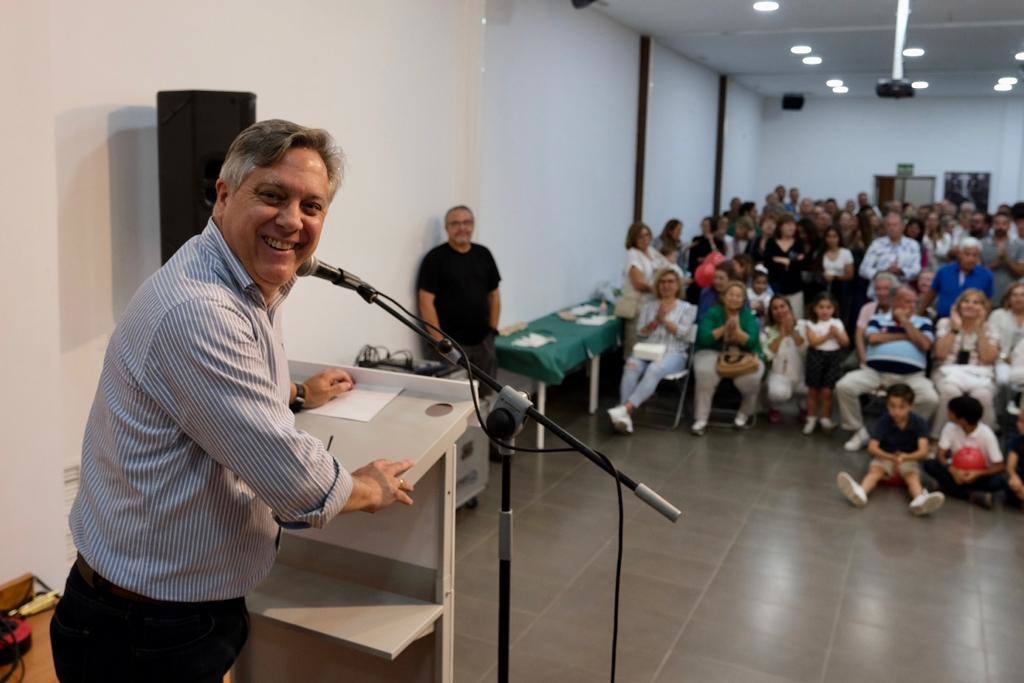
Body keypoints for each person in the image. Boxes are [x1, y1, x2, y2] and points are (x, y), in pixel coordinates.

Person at [52, 120, 417, 682]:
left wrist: (297, 393)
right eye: (273, 196)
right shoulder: (199, 310)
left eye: (312, 206)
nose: (293, 221)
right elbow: (297, 484)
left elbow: (214, 404)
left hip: (166, 611)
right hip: (143, 632)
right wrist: (371, 487)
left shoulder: (239, 281)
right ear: (224, 196)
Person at [837, 286, 938, 451]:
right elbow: (874, 338)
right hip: (875, 372)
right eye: (908, 301)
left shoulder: (924, 322)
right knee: (844, 386)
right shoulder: (878, 319)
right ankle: (859, 431)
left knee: (930, 398)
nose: (913, 305)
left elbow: (925, 344)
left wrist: (905, 322)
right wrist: (908, 336)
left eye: (915, 302)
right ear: (895, 301)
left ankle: (905, 430)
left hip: (911, 376)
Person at [418, 205, 502, 382]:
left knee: (485, 393)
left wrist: (492, 331)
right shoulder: (435, 259)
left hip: (483, 342)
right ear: (446, 228)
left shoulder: (484, 254)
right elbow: (425, 302)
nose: (462, 228)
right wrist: (440, 342)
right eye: (455, 223)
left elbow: (494, 295)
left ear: (473, 225)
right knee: (453, 399)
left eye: (467, 222)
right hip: (450, 345)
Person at [607, 268, 696, 434]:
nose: (666, 285)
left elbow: (683, 332)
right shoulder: (649, 306)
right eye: (662, 282)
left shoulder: (688, 308)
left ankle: (625, 409)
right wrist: (655, 321)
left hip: (674, 353)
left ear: (678, 286)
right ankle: (624, 417)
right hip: (648, 350)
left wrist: (664, 320)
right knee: (631, 365)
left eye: (670, 282)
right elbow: (641, 333)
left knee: (655, 368)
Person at [836, 384, 945, 516]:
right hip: (885, 457)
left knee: (912, 477)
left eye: (901, 407)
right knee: (875, 472)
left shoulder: (919, 422)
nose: (896, 411)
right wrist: (891, 457)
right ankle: (861, 492)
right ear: (887, 405)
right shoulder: (883, 421)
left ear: (911, 406)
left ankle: (919, 499)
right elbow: (872, 447)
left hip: (908, 458)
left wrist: (905, 457)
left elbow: (923, 451)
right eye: (892, 406)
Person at [691, 281, 765, 435]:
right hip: (711, 351)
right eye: (731, 294)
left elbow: (752, 343)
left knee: (752, 378)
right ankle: (701, 419)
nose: (734, 298)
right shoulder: (713, 313)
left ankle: (743, 414)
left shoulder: (748, 316)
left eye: (738, 295)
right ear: (724, 297)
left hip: (744, 354)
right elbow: (704, 338)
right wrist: (725, 328)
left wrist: (737, 331)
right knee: (705, 373)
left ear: (744, 299)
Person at [930, 288, 1000, 438]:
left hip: (979, 374)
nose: (970, 305)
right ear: (958, 305)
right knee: (950, 393)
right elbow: (940, 354)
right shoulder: (945, 323)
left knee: (983, 396)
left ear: (984, 308)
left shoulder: (991, 327)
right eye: (966, 301)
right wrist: (955, 329)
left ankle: (984, 442)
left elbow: (988, 358)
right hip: (947, 371)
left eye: (976, 303)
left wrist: (980, 330)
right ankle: (937, 438)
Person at [924, 395, 1007, 509]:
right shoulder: (950, 427)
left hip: (977, 475)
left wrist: (977, 473)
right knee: (929, 464)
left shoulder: (987, 434)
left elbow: (1000, 466)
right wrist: (953, 470)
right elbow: (941, 455)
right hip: (955, 471)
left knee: (999, 482)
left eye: (950, 412)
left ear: (962, 420)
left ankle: (949, 489)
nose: (948, 414)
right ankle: (973, 495)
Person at [614, 221, 668, 355]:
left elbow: (667, 267)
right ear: (633, 238)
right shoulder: (633, 254)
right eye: (641, 237)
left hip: (654, 305)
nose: (645, 240)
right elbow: (638, 283)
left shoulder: (651, 251)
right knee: (637, 347)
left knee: (651, 345)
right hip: (639, 307)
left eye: (647, 235)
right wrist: (659, 289)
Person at [802, 292, 849, 434]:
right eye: (821, 307)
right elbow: (814, 342)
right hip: (816, 357)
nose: (824, 310)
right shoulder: (810, 323)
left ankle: (826, 418)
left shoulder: (837, 323)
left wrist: (838, 334)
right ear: (815, 309)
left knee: (828, 391)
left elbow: (845, 342)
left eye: (828, 307)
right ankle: (811, 418)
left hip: (833, 358)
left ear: (833, 309)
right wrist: (829, 335)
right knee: (813, 391)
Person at [919, 236, 993, 319]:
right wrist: (918, 315)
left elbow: (988, 301)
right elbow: (931, 295)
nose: (971, 259)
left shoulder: (986, 275)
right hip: (944, 320)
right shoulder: (944, 271)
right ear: (959, 254)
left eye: (975, 255)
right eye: (967, 254)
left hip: (972, 322)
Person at [761, 296, 806, 424]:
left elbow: (805, 351)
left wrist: (792, 332)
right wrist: (781, 334)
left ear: (789, 308)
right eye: (775, 308)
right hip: (779, 375)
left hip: (802, 374)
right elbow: (767, 355)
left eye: (782, 306)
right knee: (777, 393)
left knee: (814, 389)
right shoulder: (767, 331)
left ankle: (804, 407)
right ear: (771, 312)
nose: (780, 311)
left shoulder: (803, 325)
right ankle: (774, 407)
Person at [858, 212, 921, 285]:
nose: (891, 228)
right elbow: (863, 269)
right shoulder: (877, 244)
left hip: (902, 291)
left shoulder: (912, 245)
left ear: (903, 227)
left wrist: (901, 271)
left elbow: (916, 270)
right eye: (888, 225)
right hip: (878, 291)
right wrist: (883, 273)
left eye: (895, 225)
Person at [764, 215, 806, 317]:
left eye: (793, 225)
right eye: (788, 224)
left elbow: (801, 264)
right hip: (775, 287)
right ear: (780, 227)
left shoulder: (799, 244)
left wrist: (781, 260)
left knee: (796, 317)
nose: (791, 227)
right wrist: (789, 261)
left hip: (795, 288)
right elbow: (768, 262)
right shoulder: (771, 242)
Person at [981, 212, 1024, 301]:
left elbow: (1021, 272)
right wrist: (997, 262)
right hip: (986, 294)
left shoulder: (1019, 245)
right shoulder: (982, 244)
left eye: (1004, 223)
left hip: (1010, 296)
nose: (1000, 227)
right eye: (997, 223)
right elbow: (977, 271)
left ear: (1009, 226)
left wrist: (1007, 259)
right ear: (992, 225)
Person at [988, 282, 1024, 386]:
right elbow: (991, 340)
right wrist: (1004, 357)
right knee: (1003, 379)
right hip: (1001, 361)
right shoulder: (997, 315)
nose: (1019, 298)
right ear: (1008, 298)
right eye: (1015, 295)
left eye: (1022, 295)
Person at [1003, 412, 1024, 507]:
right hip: (1021, 479)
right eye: (1019, 420)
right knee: (1008, 484)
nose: (1018, 424)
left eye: (1022, 422)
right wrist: (1014, 477)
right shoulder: (1017, 440)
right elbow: (1010, 466)